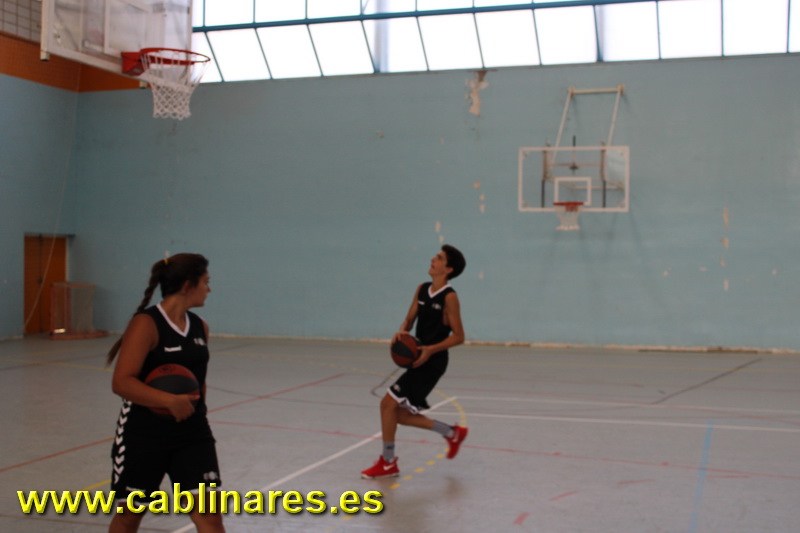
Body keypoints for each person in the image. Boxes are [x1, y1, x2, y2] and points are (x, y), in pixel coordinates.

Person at [106, 253, 225, 533]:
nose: (209, 289)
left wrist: (198, 414)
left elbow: (198, 381)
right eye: (206, 282)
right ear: (188, 285)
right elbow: (121, 382)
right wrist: (168, 401)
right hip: (144, 434)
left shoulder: (200, 326)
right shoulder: (146, 324)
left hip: (192, 433)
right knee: (130, 515)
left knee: (210, 516)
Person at [361, 244, 468, 479]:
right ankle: (452, 433)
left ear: (448, 269)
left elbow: (459, 336)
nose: (433, 259)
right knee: (397, 414)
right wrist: (402, 331)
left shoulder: (449, 297)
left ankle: (388, 463)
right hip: (418, 358)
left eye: (439, 258)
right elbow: (409, 320)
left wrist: (430, 350)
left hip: (433, 362)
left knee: (387, 405)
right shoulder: (422, 289)